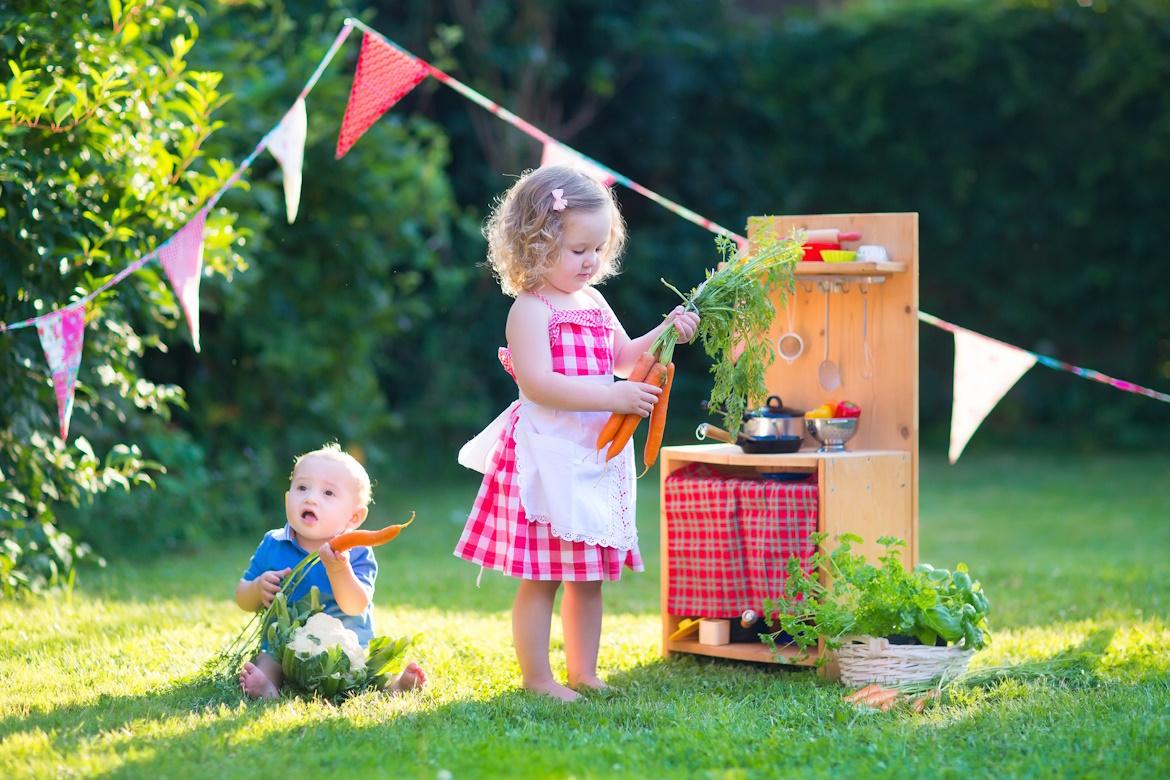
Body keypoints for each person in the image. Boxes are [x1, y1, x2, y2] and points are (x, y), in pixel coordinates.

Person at [454, 165, 699, 701]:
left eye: (597, 249)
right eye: (576, 250)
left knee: (587, 576)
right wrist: (612, 395)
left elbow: (623, 354)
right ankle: (539, 678)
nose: (589, 262)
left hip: (594, 452)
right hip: (549, 455)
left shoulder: (592, 302)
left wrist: (666, 331)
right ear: (536, 245)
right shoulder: (530, 311)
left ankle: (584, 672)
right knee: (542, 575)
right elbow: (540, 385)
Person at [237, 443, 427, 699]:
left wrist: (339, 569)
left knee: (367, 670)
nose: (311, 498)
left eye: (328, 493)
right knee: (268, 659)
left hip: (344, 649)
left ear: (354, 518)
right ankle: (268, 688)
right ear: (287, 499)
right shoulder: (274, 544)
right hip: (285, 649)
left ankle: (396, 688)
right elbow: (242, 597)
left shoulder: (357, 552)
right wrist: (257, 588)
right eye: (302, 487)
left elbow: (355, 605)